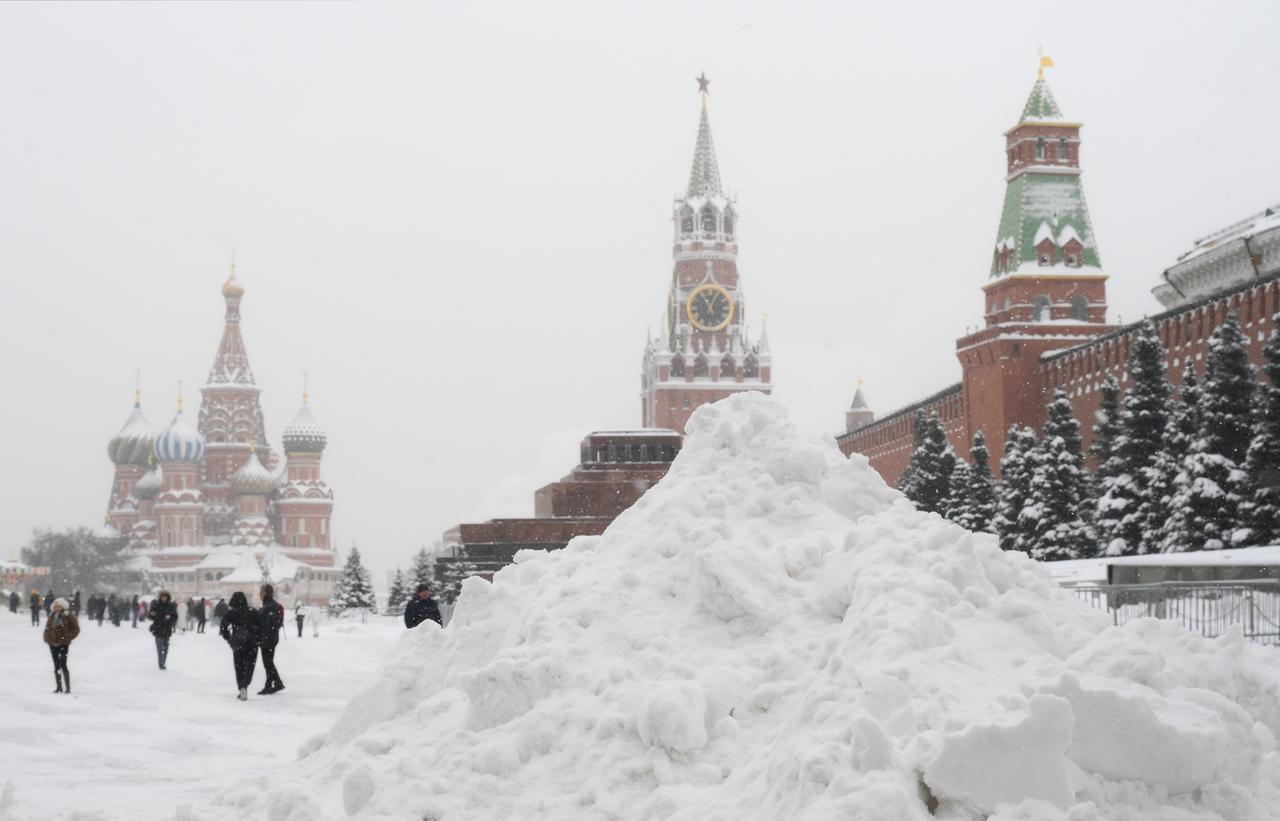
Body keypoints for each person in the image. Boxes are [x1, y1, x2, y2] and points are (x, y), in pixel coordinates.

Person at [220, 592, 262, 701]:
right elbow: (261, 627)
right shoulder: (253, 612)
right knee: (249, 665)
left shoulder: (232, 613)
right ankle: (245, 685)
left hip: (238, 642)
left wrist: (229, 638)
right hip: (252, 642)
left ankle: (241, 687)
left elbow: (223, 627)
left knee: (239, 665)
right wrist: (258, 639)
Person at [43, 598, 80, 694]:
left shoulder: (67, 614)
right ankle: (59, 687)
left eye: (58, 606)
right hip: (52, 644)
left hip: (63, 643)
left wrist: (69, 637)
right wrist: (46, 638)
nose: (57, 608)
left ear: (62, 606)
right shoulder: (52, 616)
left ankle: (67, 688)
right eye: (55, 606)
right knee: (56, 666)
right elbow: (47, 628)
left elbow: (76, 628)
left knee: (63, 664)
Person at [257, 584, 285, 695]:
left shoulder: (270, 606)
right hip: (269, 638)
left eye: (260, 591)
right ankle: (268, 685)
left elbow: (270, 624)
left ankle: (278, 683)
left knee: (268, 663)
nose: (259, 594)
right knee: (268, 662)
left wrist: (261, 631)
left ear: (265, 593)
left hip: (268, 638)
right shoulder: (268, 605)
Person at [148, 591, 178, 670]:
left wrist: (170, 618)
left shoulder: (170, 606)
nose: (164, 598)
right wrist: (152, 614)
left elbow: (175, 617)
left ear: (168, 597)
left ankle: (163, 662)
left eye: (165, 596)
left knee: (165, 649)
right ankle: (161, 664)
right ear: (160, 597)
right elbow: (150, 615)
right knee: (160, 648)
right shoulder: (156, 605)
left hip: (167, 630)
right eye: (162, 596)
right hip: (158, 629)